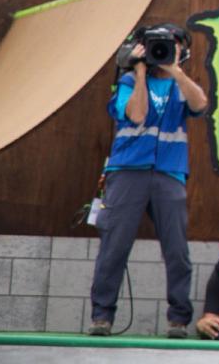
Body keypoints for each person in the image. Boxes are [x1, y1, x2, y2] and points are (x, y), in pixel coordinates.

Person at [88, 24, 208, 339]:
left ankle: (178, 320)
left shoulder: (182, 85)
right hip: (128, 170)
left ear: (183, 51)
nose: (162, 52)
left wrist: (175, 69)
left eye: (170, 46)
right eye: (156, 46)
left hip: (169, 173)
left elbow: (201, 105)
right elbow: (137, 115)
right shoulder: (127, 81)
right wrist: (140, 72)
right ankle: (102, 316)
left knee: (177, 250)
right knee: (115, 246)